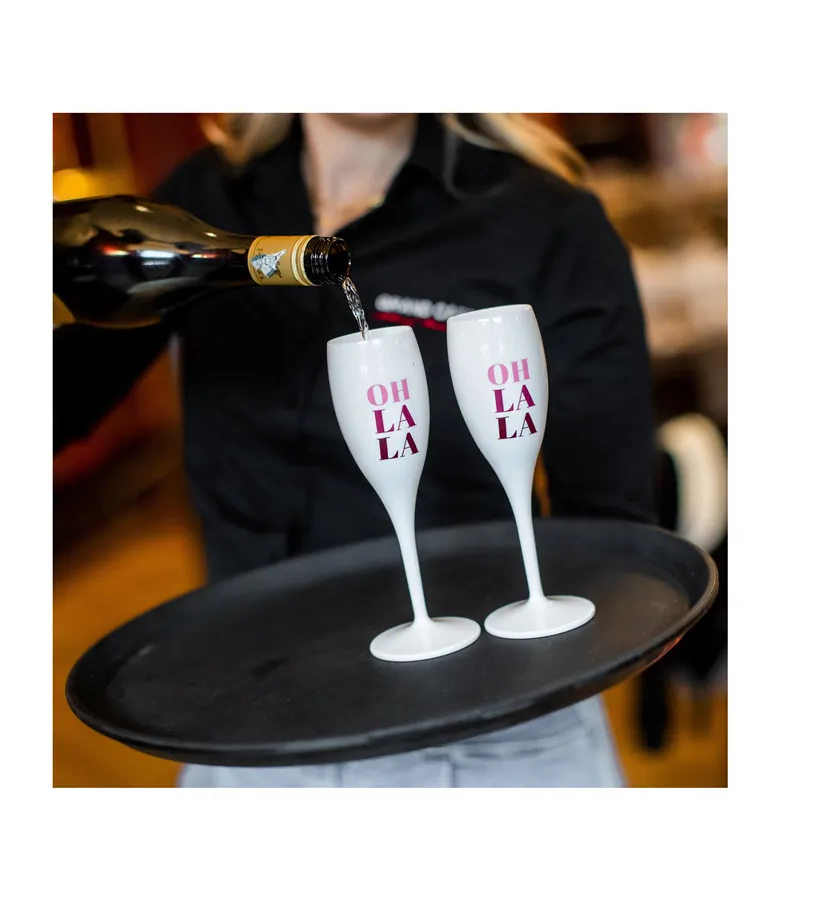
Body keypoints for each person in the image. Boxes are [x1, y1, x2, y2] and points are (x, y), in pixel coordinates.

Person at [54, 113, 655, 787]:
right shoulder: (205, 201)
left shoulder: (544, 220)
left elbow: (614, 533)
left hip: (488, 731)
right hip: (252, 729)